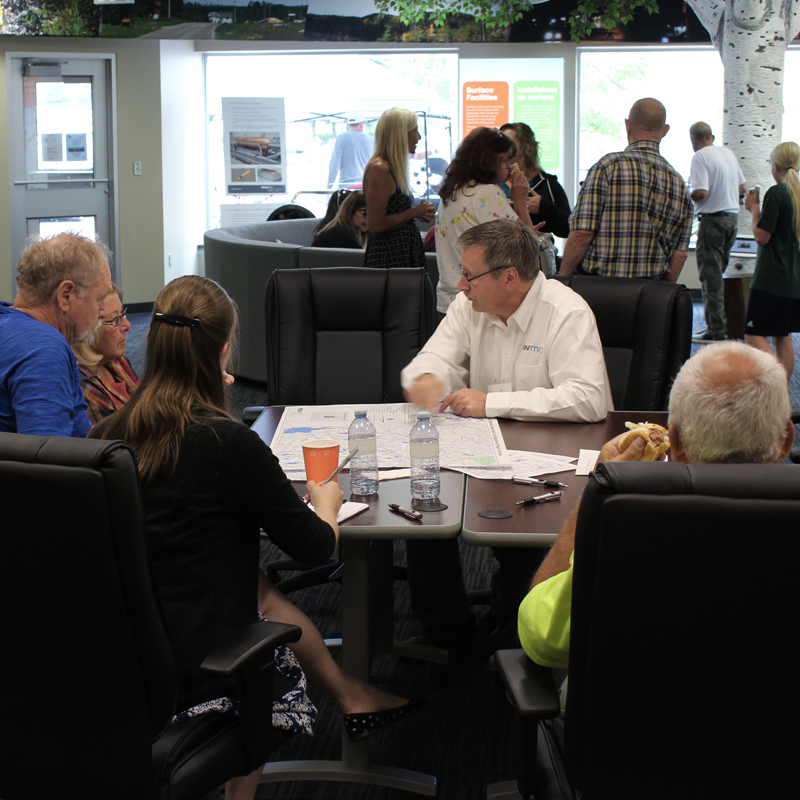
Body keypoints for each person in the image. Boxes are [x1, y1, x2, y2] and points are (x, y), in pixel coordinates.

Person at [93, 276, 421, 800]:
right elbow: (315, 547)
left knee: (258, 585)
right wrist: (326, 502)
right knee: (263, 633)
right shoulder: (227, 444)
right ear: (222, 351)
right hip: (204, 668)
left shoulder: (106, 436)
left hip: (120, 662)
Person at [400, 219, 612, 652]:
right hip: (477, 453)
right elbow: (434, 359)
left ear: (509, 277)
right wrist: (427, 378)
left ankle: (509, 624)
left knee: (524, 538)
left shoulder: (565, 312)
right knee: (419, 508)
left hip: (546, 461)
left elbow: (589, 399)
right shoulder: (470, 307)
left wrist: (491, 404)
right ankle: (448, 629)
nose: (460, 285)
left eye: (470, 275)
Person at [518, 341, 794, 674]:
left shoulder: (629, 527)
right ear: (787, 439)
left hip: (635, 722)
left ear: (674, 443)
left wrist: (596, 494)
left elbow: (541, 640)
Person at [559, 98, 693, 281]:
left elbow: (583, 232)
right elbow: (680, 254)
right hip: (651, 289)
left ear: (627, 126)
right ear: (665, 131)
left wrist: (562, 280)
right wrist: (666, 294)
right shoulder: (679, 183)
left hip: (599, 287)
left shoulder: (608, 166)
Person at [0, 232, 113, 437]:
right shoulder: (42, 347)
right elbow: (46, 461)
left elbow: (78, 436)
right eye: (99, 299)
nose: (104, 311)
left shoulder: (10, 325)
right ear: (65, 295)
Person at [435, 126, 534, 314]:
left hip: (448, 298)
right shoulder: (487, 193)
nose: (509, 166)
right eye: (505, 160)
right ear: (488, 161)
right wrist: (520, 199)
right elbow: (526, 245)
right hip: (478, 301)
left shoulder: (454, 190)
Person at [743, 141, 800, 380]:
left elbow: (761, 237)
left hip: (770, 280)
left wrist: (753, 208)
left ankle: (774, 387)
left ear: (774, 165)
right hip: (792, 282)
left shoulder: (777, 193)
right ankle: (781, 400)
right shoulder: (796, 194)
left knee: (753, 335)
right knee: (783, 337)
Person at [688, 121, 747, 344]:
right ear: (711, 136)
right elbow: (742, 188)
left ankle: (716, 331)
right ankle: (718, 326)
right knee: (718, 276)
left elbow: (702, 192)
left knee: (710, 278)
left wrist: (688, 194)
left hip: (712, 221)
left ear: (693, 139)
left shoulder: (700, 156)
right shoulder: (727, 153)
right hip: (732, 220)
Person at [362, 107, 435, 271]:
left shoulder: (392, 168)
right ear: (401, 135)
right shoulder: (379, 169)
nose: (419, 137)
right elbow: (376, 225)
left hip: (402, 253)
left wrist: (417, 213)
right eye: (414, 131)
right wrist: (414, 212)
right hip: (389, 257)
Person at [72, 285, 140, 425]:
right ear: (87, 330)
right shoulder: (81, 384)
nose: (127, 325)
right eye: (115, 320)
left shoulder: (116, 360)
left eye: (122, 314)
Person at [498, 122, 571, 239]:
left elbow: (568, 229)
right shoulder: (492, 184)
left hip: (539, 254)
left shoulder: (547, 183)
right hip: (500, 254)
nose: (503, 148)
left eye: (509, 143)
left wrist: (544, 207)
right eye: (500, 143)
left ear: (527, 147)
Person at [327, 113, 373, 189]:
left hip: (346, 187)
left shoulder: (341, 138)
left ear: (349, 125)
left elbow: (334, 164)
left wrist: (328, 187)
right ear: (361, 125)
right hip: (364, 186)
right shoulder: (371, 140)